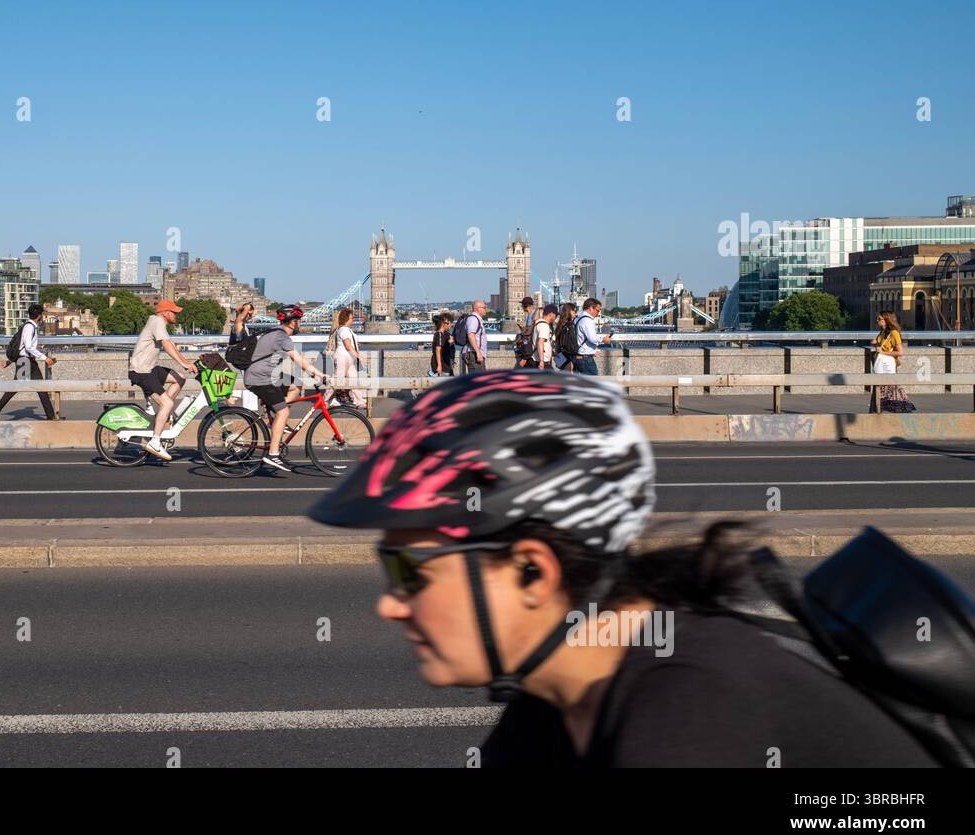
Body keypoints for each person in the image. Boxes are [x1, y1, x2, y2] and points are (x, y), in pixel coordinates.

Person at [307, 370, 938, 768]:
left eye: (408, 570)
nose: (390, 604)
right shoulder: (552, 697)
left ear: (533, 572)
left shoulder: (690, 706)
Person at [244, 304, 328, 473]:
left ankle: (274, 417)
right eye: (299, 321)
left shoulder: (275, 332)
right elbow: (300, 361)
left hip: (267, 376)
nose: (301, 324)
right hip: (260, 379)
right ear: (292, 323)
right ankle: (273, 454)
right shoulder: (282, 337)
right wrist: (320, 375)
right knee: (284, 412)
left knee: (296, 384)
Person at [126, 299, 198, 461]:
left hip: (150, 369)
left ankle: (163, 415)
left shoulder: (159, 323)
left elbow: (171, 345)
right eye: (174, 312)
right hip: (141, 372)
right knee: (168, 403)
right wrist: (183, 362)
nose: (177, 315)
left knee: (180, 378)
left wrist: (187, 363)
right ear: (165, 313)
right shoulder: (157, 321)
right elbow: (166, 345)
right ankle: (155, 442)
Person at [0, 303, 59, 423]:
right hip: (26, 362)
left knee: (41, 388)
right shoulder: (30, 327)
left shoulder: (29, 326)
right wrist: (44, 358)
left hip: (28, 361)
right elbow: (28, 347)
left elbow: (21, 347)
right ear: (39, 316)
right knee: (15, 388)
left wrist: (9, 361)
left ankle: (51, 416)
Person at [872, 311, 916, 414]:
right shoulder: (882, 332)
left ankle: (901, 409)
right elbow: (880, 342)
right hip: (881, 368)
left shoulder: (894, 333)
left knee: (891, 389)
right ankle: (879, 415)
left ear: (886, 320)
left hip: (888, 367)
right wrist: (875, 342)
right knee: (880, 390)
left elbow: (900, 352)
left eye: (879, 319)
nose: (877, 321)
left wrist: (882, 352)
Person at [329, 308, 368, 407]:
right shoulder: (344, 330)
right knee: (338, 381)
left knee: (353, 380)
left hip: (348, 358)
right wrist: (360, 357)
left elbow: (350, 343)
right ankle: (326, 400)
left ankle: (359, 401)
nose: (353, 320)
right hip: (343, 358)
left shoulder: (347, 330)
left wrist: (356, 345)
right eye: (351, 318)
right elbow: (347, 345)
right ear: (346, 319)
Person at [570, 297, 613, 376]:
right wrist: (604, 339)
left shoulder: (578, 317)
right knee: (592, 384)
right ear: (590, 308)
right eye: (597, 310)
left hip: (577, 356)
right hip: (585, 359)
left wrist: (593, 351)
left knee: (582, 384)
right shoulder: (587, 320)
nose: (598, 313)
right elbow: (592, 338)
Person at [459, 300, 488, 374]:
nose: (486, 309)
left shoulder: (477, 319)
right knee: (477, 380)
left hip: (475, 353)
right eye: (484, 307)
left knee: (481, 379)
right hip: (473, 354)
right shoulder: (473, 319)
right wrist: (478, 352)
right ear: (477, 308)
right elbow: (471, 336)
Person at [532, 303, 558, 370]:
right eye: (555, 315)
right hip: (543, 362)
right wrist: (542, 361)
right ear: (551, 314)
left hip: (538, 360)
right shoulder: (544, 326)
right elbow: (540, 342)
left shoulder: (538, 323)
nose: (555, 317)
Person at [553, 303, 578, 371]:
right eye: (574, 311)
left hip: (560, 355)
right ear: (570, 311)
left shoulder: (560, 324)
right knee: (570, 378)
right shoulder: (570, 325)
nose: (575, 313)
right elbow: (572, 342)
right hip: (568, 356)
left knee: (563, 376)